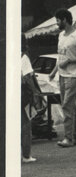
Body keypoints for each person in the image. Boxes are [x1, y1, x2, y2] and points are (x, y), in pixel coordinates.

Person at [48, 7, 76, 148]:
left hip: (74, 76)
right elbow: (61, 56)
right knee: (71, 107)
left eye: (58, 20)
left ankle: (68, 138)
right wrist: (54, 72)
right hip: (62, 76)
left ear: (65, 20)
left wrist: (70, 61)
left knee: (66, 106)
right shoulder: (61, 36)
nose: (57, 23)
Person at [21, 35, 40, 163]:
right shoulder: (24, 57)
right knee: (26, 124)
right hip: (23, 94)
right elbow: (28, 77)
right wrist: (35, 93)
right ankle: (26, 155)